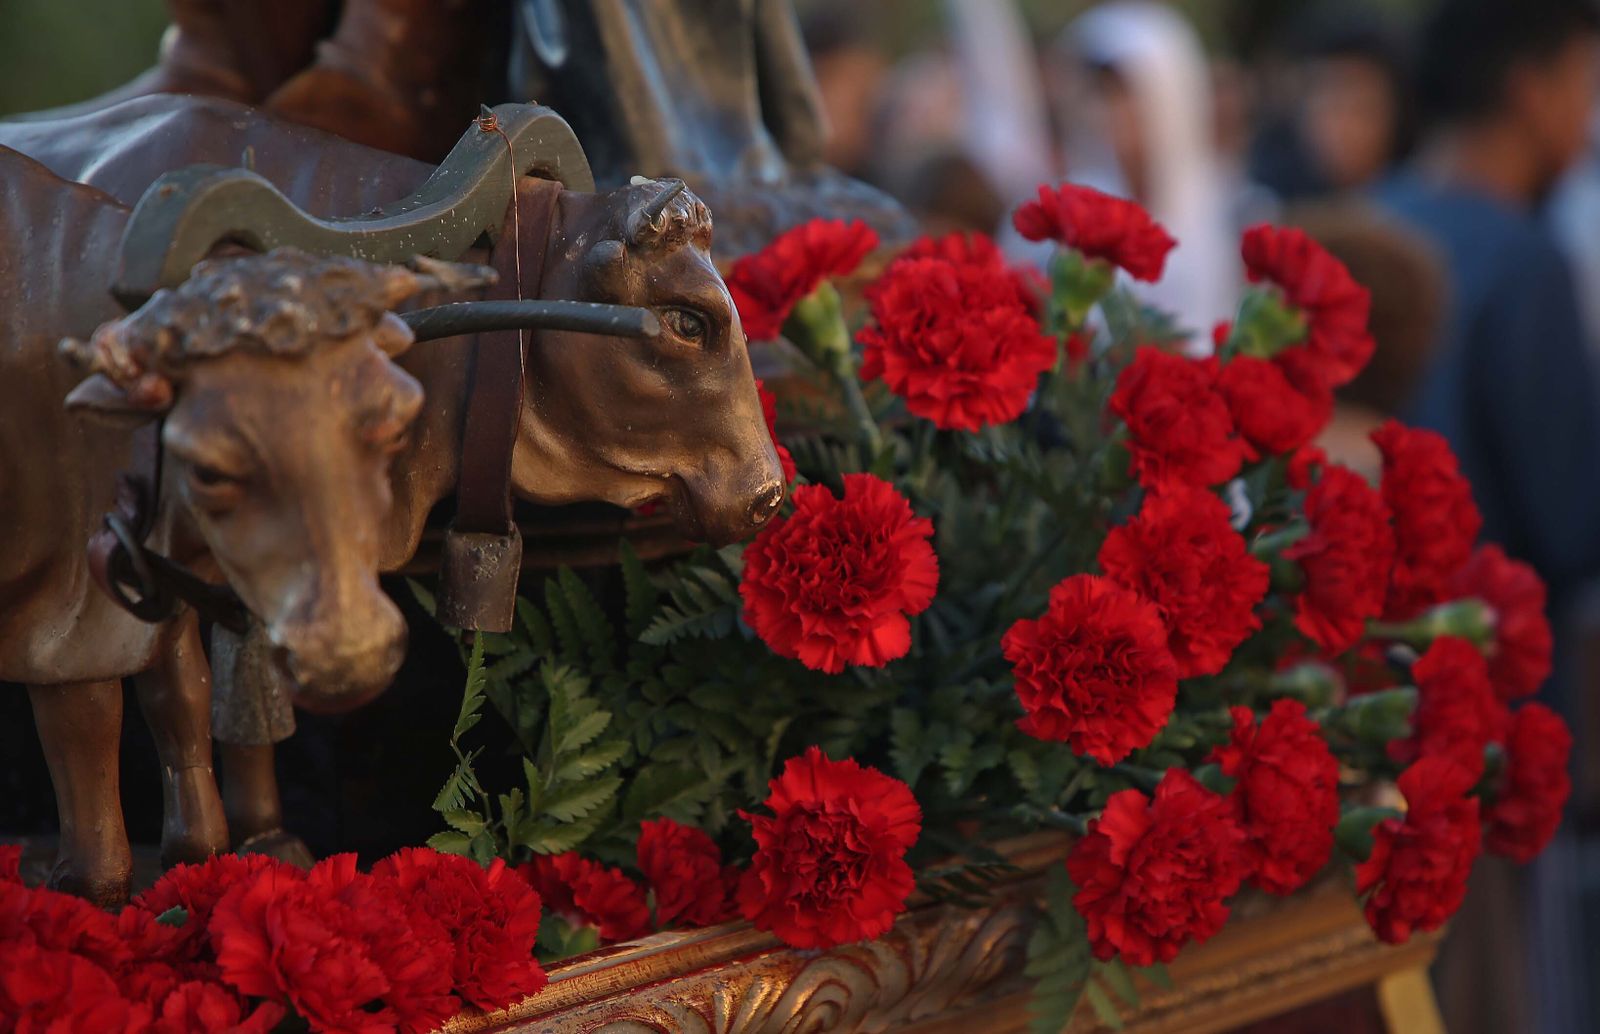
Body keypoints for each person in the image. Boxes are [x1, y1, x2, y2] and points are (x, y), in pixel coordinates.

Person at [1374, 4, 1600, 1032]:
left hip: (1354, 723)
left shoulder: (1365, 218)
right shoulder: (1522, 257)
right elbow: (1569, 515)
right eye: (1583, 81)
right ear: (1529, 86)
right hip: (1502, 732)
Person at [1052, 1, 1247, 341]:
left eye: (1126, 94)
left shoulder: (1231, 206)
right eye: (1101, 94)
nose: (1111, 112)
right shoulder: (1077, 207)